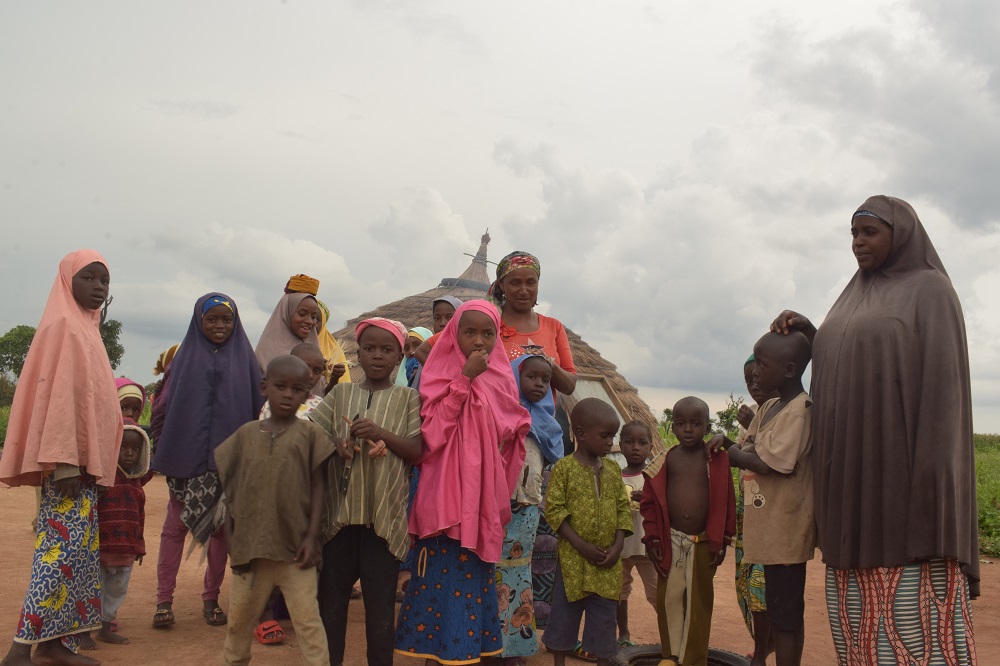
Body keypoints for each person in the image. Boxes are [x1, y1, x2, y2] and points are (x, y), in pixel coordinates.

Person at [771, 195, 979, 664]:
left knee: (911, 621)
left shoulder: (930, 291)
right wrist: (811, 334)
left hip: (904, 490)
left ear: (900, 234)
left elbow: (943, 393)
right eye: (852, 233)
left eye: (869, 232)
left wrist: (934, 485)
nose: (858, 243)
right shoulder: (855, 294)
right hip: (852, 488)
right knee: (858, 629)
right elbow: (858, 360)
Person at [0, 250, 120, 666]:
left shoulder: (88, 328)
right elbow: (60, 398)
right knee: (58, 553)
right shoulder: (65, 327)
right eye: (89, 278)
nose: (99, 287)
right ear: (67, 280)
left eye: (104, 280)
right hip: (68, 465)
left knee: (80, 555)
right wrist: (66, 460)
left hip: (83, 466)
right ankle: (20, 648)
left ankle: (55, 644)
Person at [395, 301, 530, 665]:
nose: (479, 341)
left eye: (488, 333)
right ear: (454, 333)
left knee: (471, 579)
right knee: (438, 577)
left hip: (482, 497)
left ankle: (468, 652)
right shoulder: (437, 373)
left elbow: (512, 429)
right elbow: (433, 435)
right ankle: (431, 655)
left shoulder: (502, 377)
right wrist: (465, 379)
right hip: (443, 495)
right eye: (469, 332)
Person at [309, 318, 423, 666]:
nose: (377, 356)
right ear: (358, 353)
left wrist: (381, 434)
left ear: (399, 355)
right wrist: (337, 443)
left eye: (386, 350)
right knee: (332, 606)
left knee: (380, 612)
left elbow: (417, 452)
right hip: (338, 521)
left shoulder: (408, 399)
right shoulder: (341, 393)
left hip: (383, 524)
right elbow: (311, 437)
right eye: (370, 349)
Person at [151, 293, 264, 629]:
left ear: (236, 322)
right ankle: (162, 600)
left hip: (229, 465)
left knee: (221, 534)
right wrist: (164, 448)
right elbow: (161, 409)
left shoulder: (246, 360)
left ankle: (211, 598)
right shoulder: (182, 359)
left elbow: (257, 411)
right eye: (211, 319)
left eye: (225, 319)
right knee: (174, 529)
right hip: (185, 458)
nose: (219, 326)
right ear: (198, 322)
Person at [215, 355, 335, 666]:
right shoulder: (244, 436)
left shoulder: (311, 436)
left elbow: (319, 488)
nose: (287, 395)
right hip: (250, 552)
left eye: (297, 389)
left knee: (308, 622)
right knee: (240, 621)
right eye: (280, 386)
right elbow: (231, 491)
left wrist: (313, 537)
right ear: (264, 387)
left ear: (307, 395)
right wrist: (231, 538)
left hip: (296, 551)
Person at [710, 332, 814, 666]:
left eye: (762, 364)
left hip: (786, 529)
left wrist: (728, 448)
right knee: (776, 605)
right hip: (768, 529)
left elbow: (765, 463)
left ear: (789, 369)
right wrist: (736, 448)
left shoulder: (800, 410)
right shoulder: (770, 406)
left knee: (786, 616)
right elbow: (751, 446)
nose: (754, 371)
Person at [643, 397, 735, 666]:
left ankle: (694, 658)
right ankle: (670, 655)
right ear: (672, 427)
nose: (688, 429)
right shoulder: (666, 459)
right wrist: (653, 538)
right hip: (670, 540)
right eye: (681, 423)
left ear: (707, 427)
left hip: (704, 542)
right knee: (669, 598)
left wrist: (725, 538)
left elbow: (727, 500)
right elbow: (649, 502)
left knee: (699, 602)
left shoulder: (717, 461)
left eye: (696, 424)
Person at [540, 398, 630, 666]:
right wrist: (581, 546)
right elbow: (554, 510)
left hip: (607, 564)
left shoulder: (613, 470)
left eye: (612, 436)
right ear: (580, 433)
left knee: (604, 620)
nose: (609, 442)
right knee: (564, 617)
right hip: (573, 563)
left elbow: (624, 509)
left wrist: (617, 547)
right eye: (604, 436)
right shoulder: (564, 468)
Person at [496, 352, 564, 664]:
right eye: (531, 376)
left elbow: (549, 461)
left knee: (518, 574)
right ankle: (490, 644)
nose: (538, 383)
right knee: (491, 574)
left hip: (526, 507)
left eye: (545, 380)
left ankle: (515, 647)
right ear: (514, 378)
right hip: (494, 506)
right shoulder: (501, 412)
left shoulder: (549, 423)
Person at [79, 419, 154, 650]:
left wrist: (139, 547)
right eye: (123, 447)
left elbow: (139, 518)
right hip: (100, 549)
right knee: (92, 589)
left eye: (135, 449)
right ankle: (83, 633)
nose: (130, 453)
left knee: (116, 590)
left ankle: (105, 627)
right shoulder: (101, 479)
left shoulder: (137, 484)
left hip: (126, 550)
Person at [732, 355, 776, 666]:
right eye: (749, 380)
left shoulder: (786, 415)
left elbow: (772, 460)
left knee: (760, 589)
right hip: (745, 525)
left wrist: (750, 428)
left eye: (759, 377)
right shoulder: (759, 415)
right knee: (745, 589)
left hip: (770, 525)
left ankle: (761, 653)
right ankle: (765, 643)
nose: (754, 384)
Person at [616, 420, 657, 648]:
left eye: (642, 443)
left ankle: (670, 635)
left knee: (657, 594)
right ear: (620, 445)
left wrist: (649, 499)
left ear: (650, 446)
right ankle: (623, 634)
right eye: (629, 442)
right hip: (620, 547)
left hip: (647, 547)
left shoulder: (654, 477)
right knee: (620, 594)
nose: (635, 447)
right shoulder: (614, 476)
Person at [255, 290, 325, 392]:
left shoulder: (313, 352)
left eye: (313, 317)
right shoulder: (264, 354)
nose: (309, 321)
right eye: (302, 314)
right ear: (286, 312)